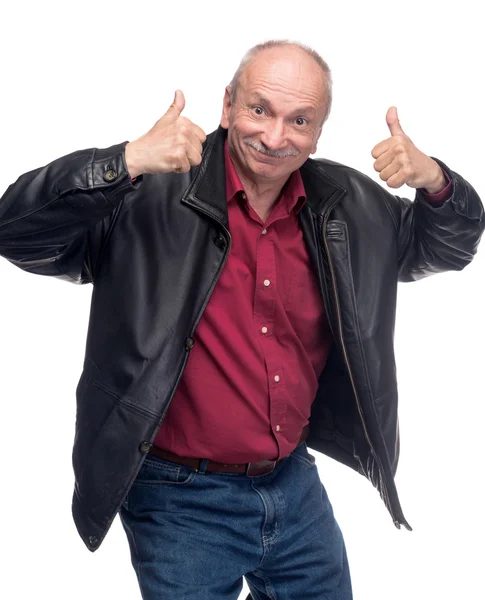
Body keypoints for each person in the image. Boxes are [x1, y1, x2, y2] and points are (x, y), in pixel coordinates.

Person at [0, 39, 483, 600]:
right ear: (227, 105)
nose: (275, 137)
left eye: (299, 120)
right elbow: (16, 232)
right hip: (176, 495)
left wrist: (436, 184)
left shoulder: (348, 205)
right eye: (260, 109)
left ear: (319, 132)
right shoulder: (144, 191)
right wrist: (123, 162)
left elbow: (445, 248)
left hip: (293, 485)